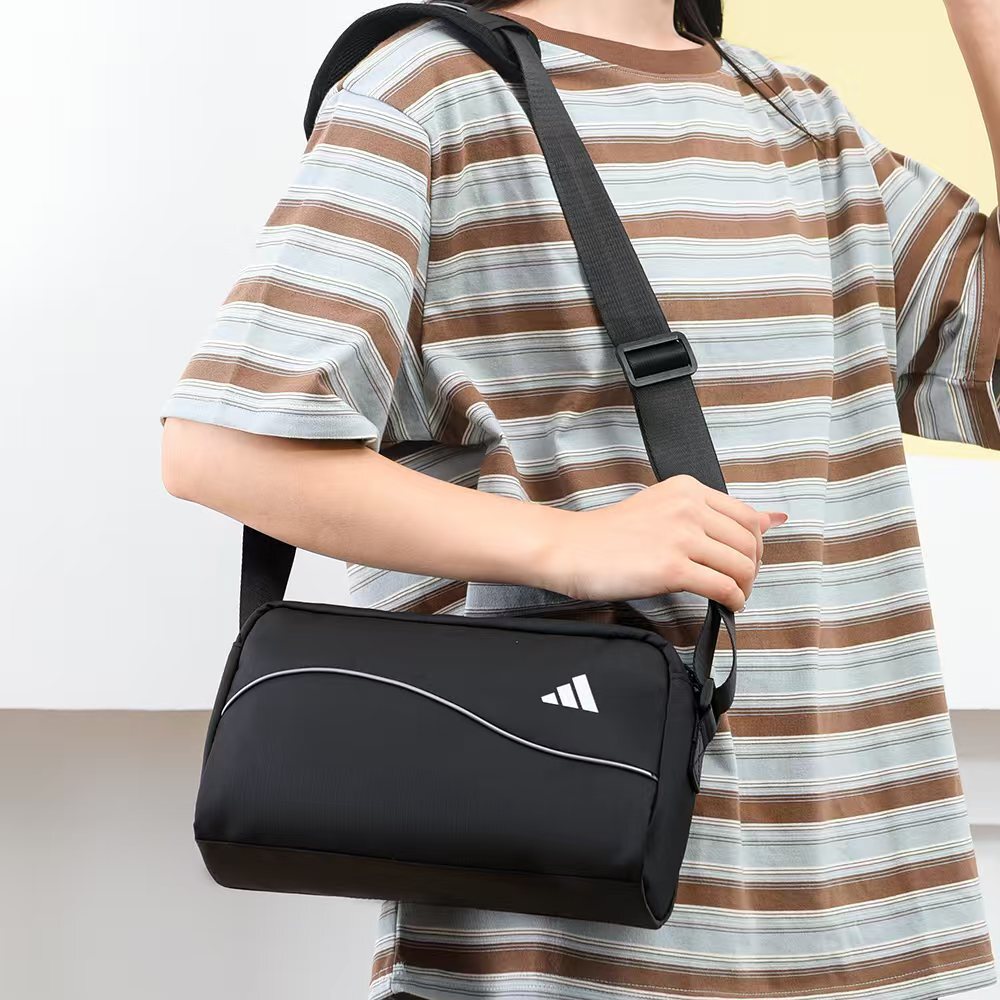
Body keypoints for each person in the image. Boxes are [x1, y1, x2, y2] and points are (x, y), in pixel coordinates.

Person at [161, 0, 1000, 996]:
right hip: (572, 945)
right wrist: (568, 544)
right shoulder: (431, 95)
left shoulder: (802, 119)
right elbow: (221, 447)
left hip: (867, 931)